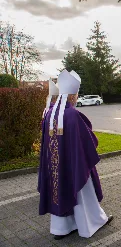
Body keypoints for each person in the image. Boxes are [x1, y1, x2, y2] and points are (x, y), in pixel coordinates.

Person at [37, 70, 113, 240]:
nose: (77, 98)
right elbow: (89, 141)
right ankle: (91, 224)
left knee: (59, 189)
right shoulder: (73, 114)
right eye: (77, 94)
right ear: (72, 95)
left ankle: (61, 229)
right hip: (74, 164)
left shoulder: (50, 114)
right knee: (83, 190)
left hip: (55, 166)